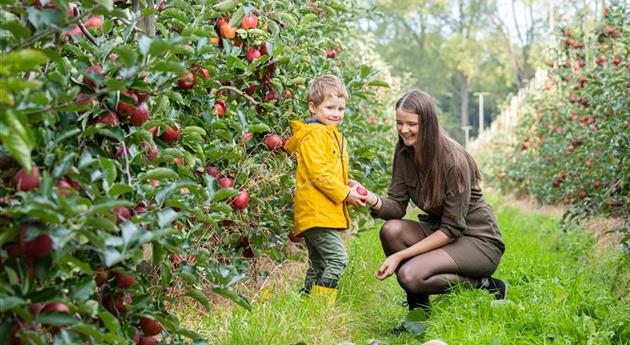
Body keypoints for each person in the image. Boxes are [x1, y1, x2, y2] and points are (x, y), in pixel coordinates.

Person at [364, 90, 507, 329]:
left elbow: (452, 228)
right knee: (391, 231)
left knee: (409, 274)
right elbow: (397, 206)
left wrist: (400, 256)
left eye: (412, 124)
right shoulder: (403, 152)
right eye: (399, 123)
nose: (404, 129)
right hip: (441, 229)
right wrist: (370, 199)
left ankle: (486, 284)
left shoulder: (453, 160)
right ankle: (418, 315)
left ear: (428, 123)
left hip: (477, 240)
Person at [284, 75, 368, 304]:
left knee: (318, 263)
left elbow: (325, 170)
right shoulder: (314, 135)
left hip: (322, 212)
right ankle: (321, 306)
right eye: (330, 107)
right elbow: (318, 175)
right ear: (313, 107)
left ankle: (303, 304)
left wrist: (346, 182)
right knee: (338, 260)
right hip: (316, 212)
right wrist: (345, 194)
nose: (336, 113)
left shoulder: (330, 134)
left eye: (341, 108)